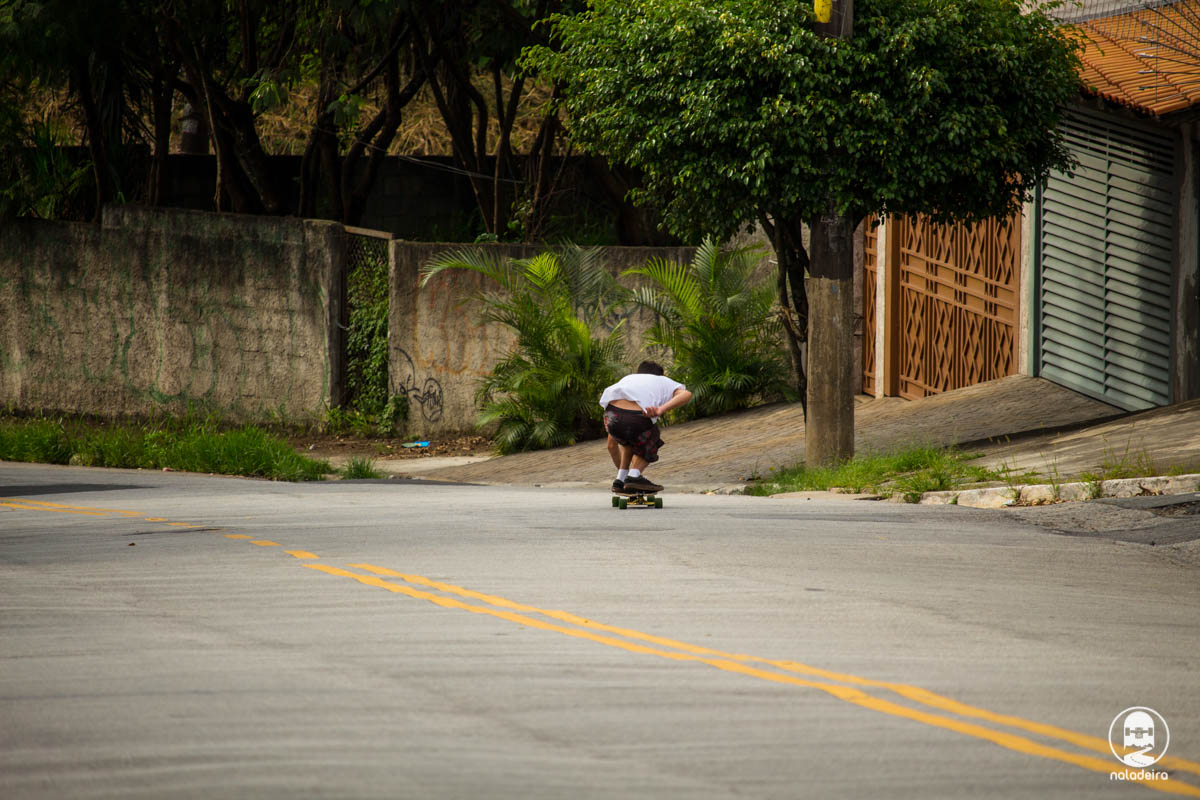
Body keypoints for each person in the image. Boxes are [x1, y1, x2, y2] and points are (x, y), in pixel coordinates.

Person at [599, 361, 693, 494]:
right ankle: (634, 476)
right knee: (652, 438)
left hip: (610, 414)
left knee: (628, 441)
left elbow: (610, 445)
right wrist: (661, 409)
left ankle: (620, 480)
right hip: (635, 417)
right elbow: (686, 394)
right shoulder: (661, 380)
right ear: (660, 375)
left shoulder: (628, 379)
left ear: (639, 372)